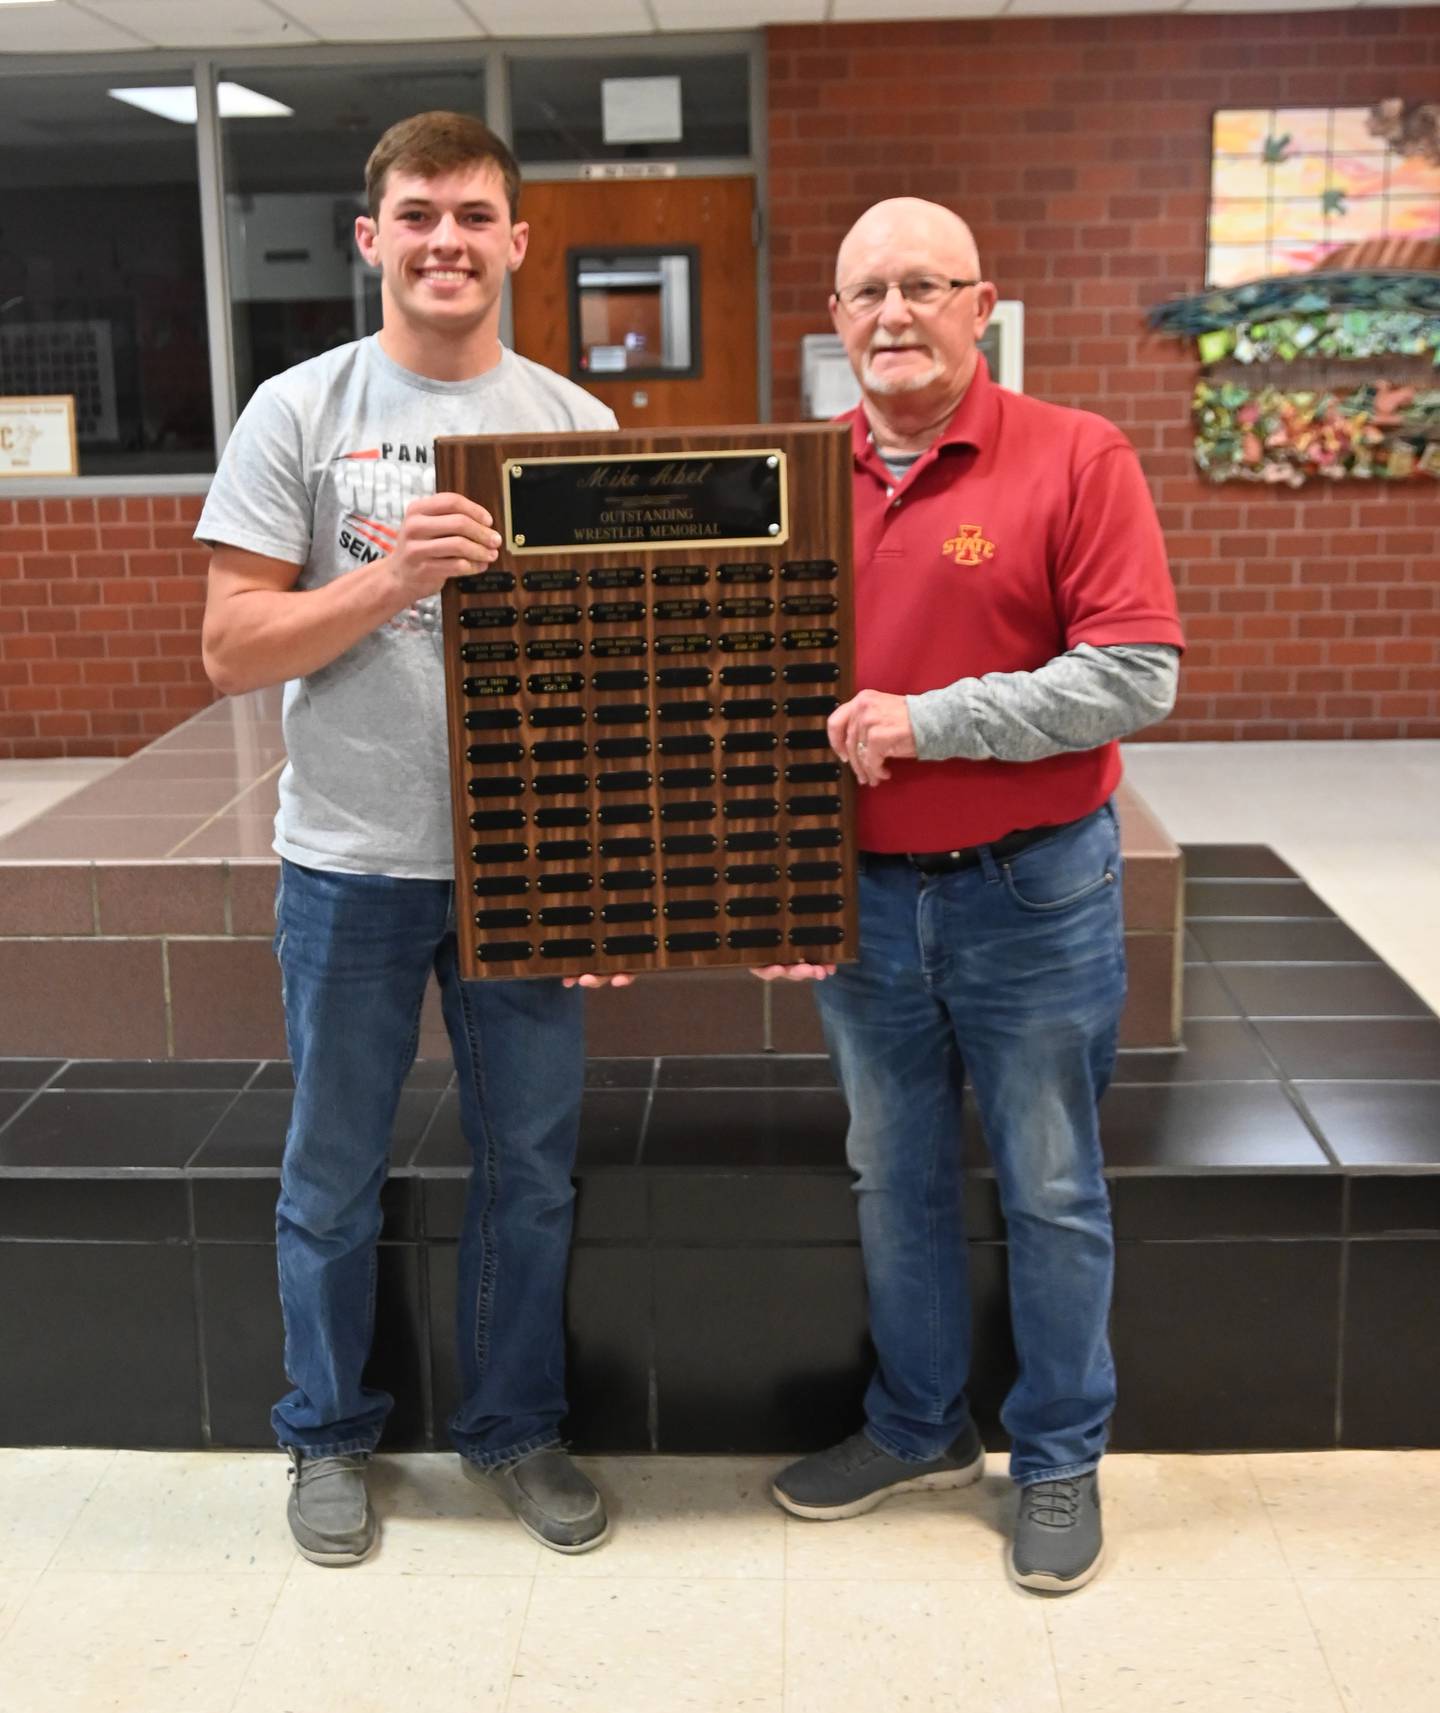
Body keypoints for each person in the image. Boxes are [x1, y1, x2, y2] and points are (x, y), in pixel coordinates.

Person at [197, 112, 625, 1567]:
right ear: (372, 237)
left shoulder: (576, 426)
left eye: (475, 215)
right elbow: (230, 648)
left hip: (527, 869)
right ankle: (326, 1432)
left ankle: (515, 1429)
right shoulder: (298, 411)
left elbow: (615, 674)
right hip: (349, 864)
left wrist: (609, 872)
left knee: (534, 1172)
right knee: (332, 1169)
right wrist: (391, 583)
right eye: (420, 214)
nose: (448, 240)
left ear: (519, 241)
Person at [763, 198, 1185, 1593]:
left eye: (923, 286)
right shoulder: (791, 481)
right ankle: (918, 1428)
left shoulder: (1076, 454)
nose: (893, 313)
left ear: (981, 307)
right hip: (863, 906)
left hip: (1033, 894)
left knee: (1052, 1186)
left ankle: (1058, 1455)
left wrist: (929, 722)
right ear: (836, 319)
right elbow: (743, 694)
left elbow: (1134, 675)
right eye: (865, 291)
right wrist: (756, 876)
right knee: (894, 1179)